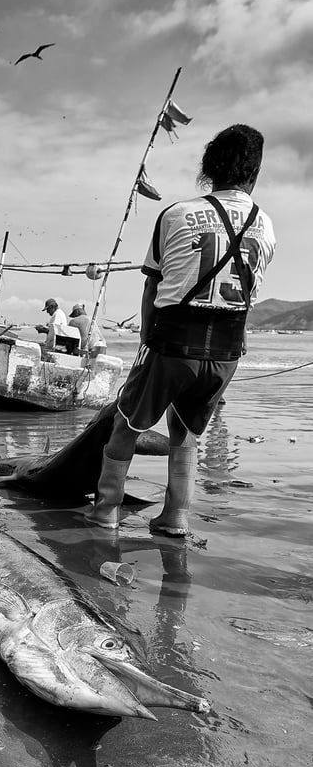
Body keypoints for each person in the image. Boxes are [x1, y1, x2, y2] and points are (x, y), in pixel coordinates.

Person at [87, 124, 276, 535]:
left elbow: (153, 283)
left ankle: (105, 512)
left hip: (173, 342)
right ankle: (176, 517)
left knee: (126, 425)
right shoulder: (266, 225)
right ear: (254, 175)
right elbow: (249, 293)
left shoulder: (176, 214)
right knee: (185, 431)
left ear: (208, 169)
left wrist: (147, 343)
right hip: (226, 352)